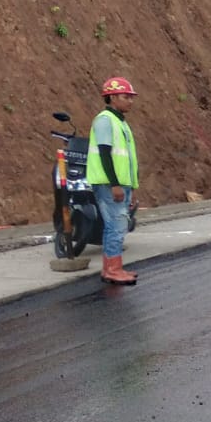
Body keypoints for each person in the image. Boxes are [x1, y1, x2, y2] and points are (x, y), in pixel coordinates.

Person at [85, 76, 140, 286]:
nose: (130, 101)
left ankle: (112, 267)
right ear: (113, 97)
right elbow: (105, 154)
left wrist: (131, 185)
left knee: (116, 226)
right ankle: (113, 270)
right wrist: (115, 184)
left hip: (121, 184)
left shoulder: (119, 122)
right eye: (126, 97)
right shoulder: (105, 120)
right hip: (110, 185)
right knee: (116, 226)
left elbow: (126, 159)